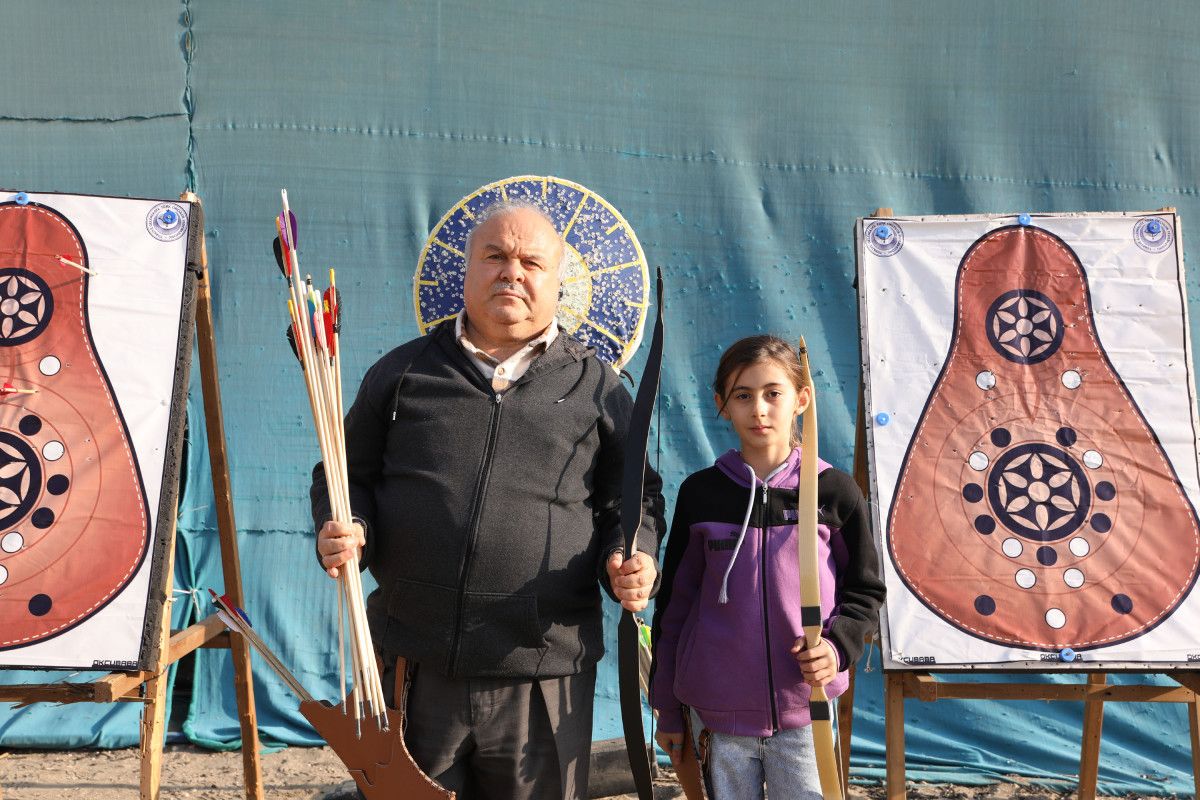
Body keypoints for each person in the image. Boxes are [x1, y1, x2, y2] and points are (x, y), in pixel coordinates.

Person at [311, 199, 665, 800]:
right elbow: (343, 473)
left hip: (542, 667)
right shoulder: (403, 373)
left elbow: (632, 500)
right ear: (467, 270)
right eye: (495, 256)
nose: (512, 272)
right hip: (414, 662)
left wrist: (633, 554)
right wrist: (342, 523)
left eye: (532, 261)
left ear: (557, 280)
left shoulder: (598, 387)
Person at [649, 334, 884, 799]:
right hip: (715, 714)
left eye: (773, 393)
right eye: (743, 395)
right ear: (721, 404)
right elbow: (675, 606)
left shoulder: (833, 490)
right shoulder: (701, 494)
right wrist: (668, 708)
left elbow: (865, 591)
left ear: (801, 399)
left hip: (805, 712)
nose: (759, 409)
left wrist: (836, 648)